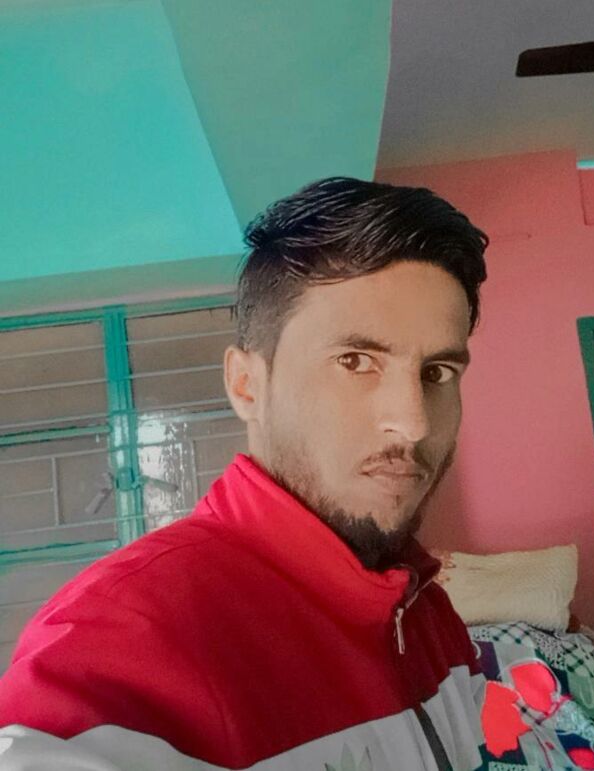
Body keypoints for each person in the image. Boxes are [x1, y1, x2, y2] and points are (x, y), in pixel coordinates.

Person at [0, 177, 489, 770]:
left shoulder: (426, 607)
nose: (412, 423)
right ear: (246, 385)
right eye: (355, 361)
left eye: (437, 373)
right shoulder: (123, 633)